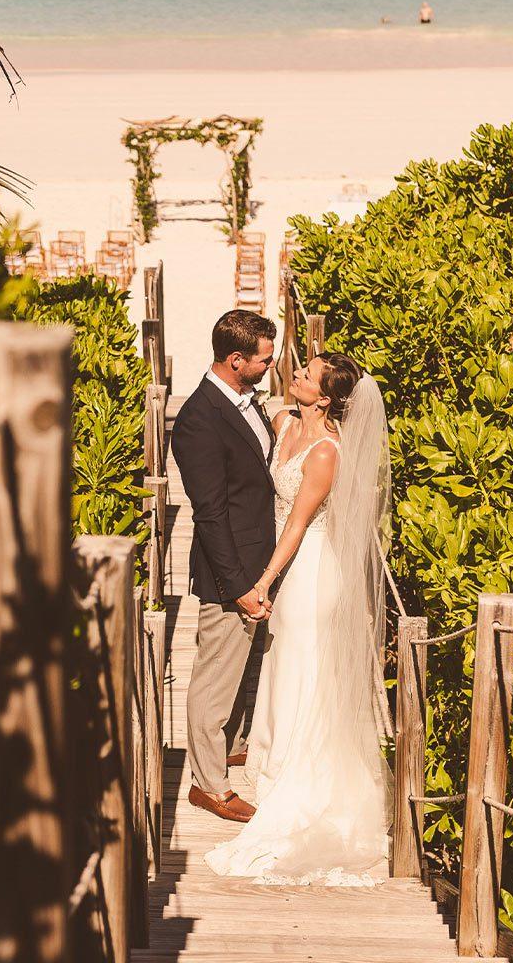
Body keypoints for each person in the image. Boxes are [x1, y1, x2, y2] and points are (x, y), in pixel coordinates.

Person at [204, 352, 393, 882]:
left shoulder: (328, 453)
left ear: (327, 397)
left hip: (310, 573)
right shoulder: (283, 420)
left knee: (305, 667)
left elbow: (297, 526)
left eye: (307, 376)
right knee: (283, 662)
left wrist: (260, 582)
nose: (297, 375)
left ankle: (301, 774)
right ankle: (273, 756)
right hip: (283, 569)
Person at [170, 309, 278, 824]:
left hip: (257, 560)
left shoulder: (245, 401)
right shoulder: (198, 419)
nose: (270, 368)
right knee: (213, 682)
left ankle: (230, 748)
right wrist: (238, 587)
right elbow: (209, 513)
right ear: (236, 361)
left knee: (237, 672)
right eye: (264, 360)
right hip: (228, 574)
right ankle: (208, 786)